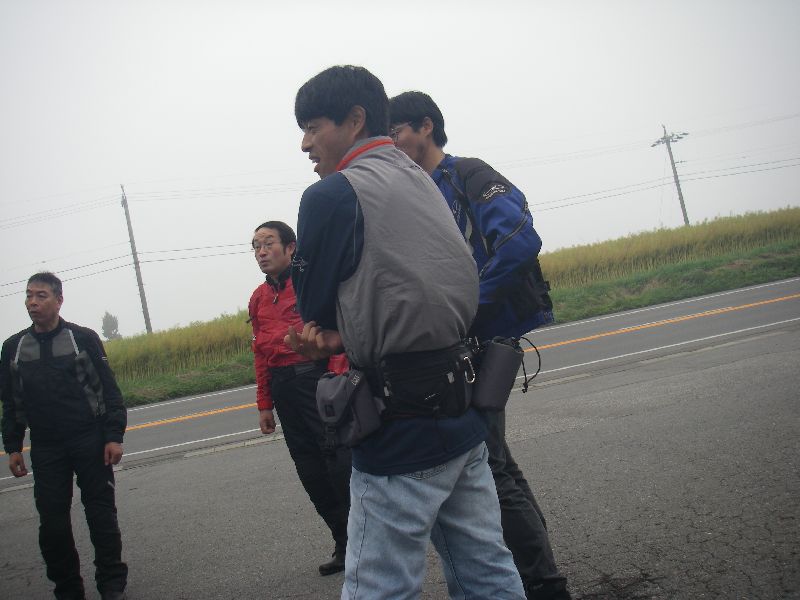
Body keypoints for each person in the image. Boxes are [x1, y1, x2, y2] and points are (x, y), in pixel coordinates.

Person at [285, 64, 526, 600]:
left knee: (379, 586)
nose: (304, 144)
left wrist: (335, 332)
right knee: (487, 569)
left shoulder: (331, 195)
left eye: (313, 127)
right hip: (463, 412)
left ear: (354, 119)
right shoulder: (422, 177)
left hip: (399, 427)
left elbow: (313, 306)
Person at [389, 90, 571, 600]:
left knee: (490, 464)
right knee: (497, 461)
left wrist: (466, 305)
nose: (392, 143)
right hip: (454, 341)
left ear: (426, 127)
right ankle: (540, 576)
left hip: (485, 337)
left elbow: (519, 241)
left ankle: (542, 584)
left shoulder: (469, 174)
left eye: (397, 131)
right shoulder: (416, 191)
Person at [0, 272, 128, 600]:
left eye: (41, 296)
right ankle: (68, 589)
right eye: (29, 295)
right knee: (53, 523)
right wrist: (13, 446)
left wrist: (113, 436)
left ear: (59, 301)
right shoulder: (13, 347)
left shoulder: (81, 338)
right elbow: (11, 401)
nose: (32, 302)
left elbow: (108, 390)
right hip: (46, 447)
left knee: (101, 514)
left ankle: (112, 584)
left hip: (90, 440)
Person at [248, 220, 351, 576]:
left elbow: (338, 332)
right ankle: (343, 542)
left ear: (291, 248)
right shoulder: (258, 298)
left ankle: (365, 541)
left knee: (338, 465)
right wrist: (264, 404)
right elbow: (260, 354)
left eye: (268, 243)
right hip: (284, 389)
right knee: (310, 471)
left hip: (316, 381)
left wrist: (335, 380)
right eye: (256, 246)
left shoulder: (312, 284)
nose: (261, 252)